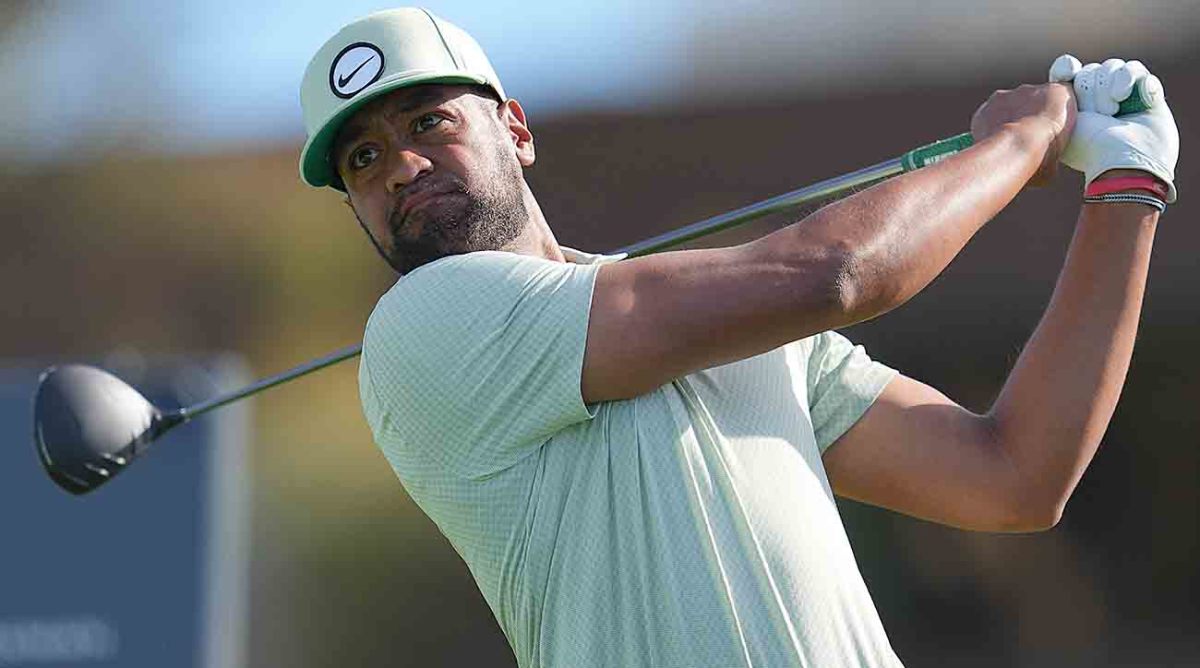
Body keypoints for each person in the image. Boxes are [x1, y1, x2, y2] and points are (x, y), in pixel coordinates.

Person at [297, 8, 1178, 668]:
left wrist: (1126, 191)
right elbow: (833, 275)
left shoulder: (723, 319)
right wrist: (1020, 141)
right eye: (363, 160)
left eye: (428, 123)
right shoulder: (425, 327)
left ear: (516, 130)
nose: (400, 166)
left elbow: (1012, 476)